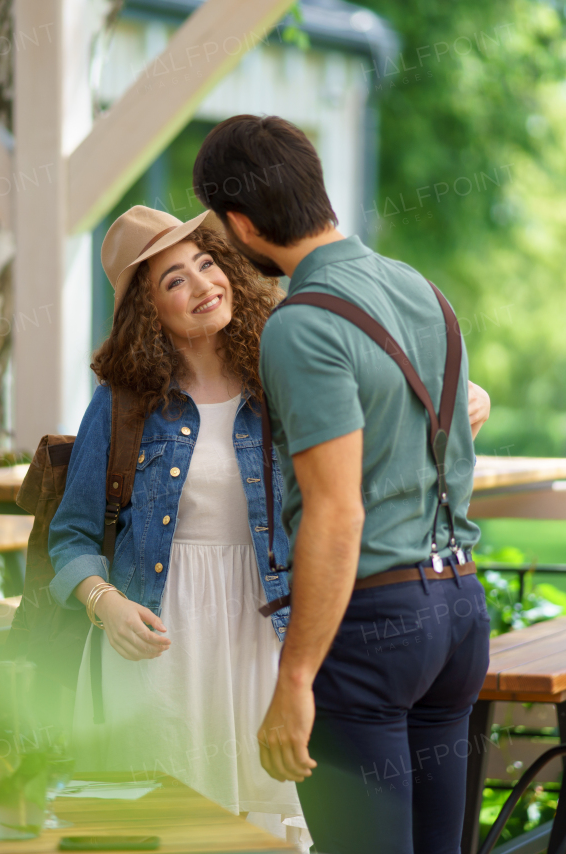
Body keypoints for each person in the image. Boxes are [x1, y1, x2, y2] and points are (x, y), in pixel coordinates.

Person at [46, 204, 491, 849]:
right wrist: (103, 603)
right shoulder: (121, 404)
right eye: (174, 280)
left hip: (271, 633)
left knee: (276, 822)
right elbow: (73, 534)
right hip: (161, 646)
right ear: (148, 311)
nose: (202, 286)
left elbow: (370, 435)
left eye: (207, 263)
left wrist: (467, 397)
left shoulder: (280, 372)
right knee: (169, 826)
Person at [193, 115, 492, 854]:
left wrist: (294, 678)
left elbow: (335, 512)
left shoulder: (300, 326)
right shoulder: (422, 290)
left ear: (240, 224)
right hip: (457, 612)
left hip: (373, 632)